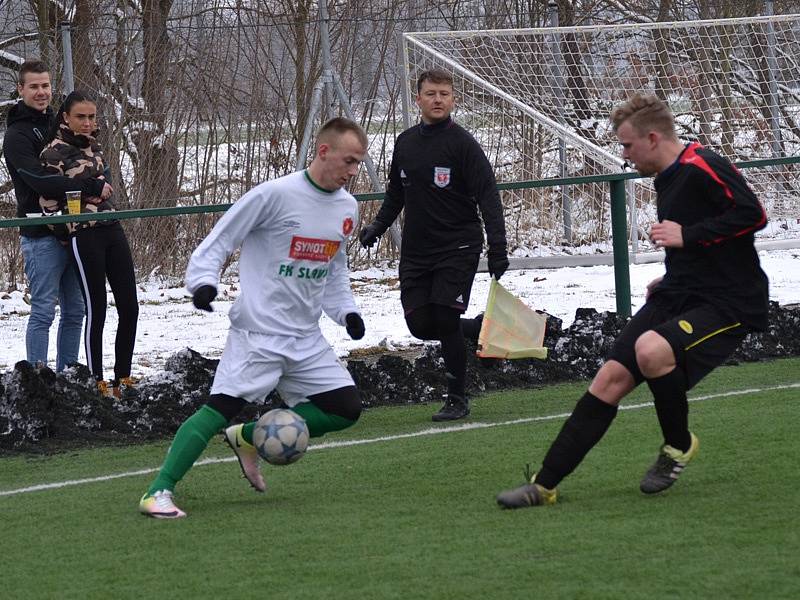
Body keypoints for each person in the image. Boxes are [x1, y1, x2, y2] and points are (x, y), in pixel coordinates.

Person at [496, 93, 769, 509]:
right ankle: (543, 485)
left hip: (730, 300)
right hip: (682, 292)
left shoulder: (703, 166)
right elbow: (703, 238)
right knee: (608, 380)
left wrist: (686, 237)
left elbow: (754, 215)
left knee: (651, 350)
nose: (624, 155)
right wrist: (674, 273)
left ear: (653, 138)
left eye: (627, 145)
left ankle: (678, 446)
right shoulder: (667, 175)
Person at [139, 117, 368, 519]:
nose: (353, 171)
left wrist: (346, 311)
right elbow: (221, 238)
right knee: (217, 410)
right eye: (348, 161)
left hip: (306, 338)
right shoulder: (274, 195)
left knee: (345, 408)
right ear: (323, 151)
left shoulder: (348, 208)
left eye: (358, 164)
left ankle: (247, 436)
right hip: (258, 334)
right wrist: (204, 281)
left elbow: (334, 268)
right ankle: (158, 491)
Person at [359, 69, 508, 422]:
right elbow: (397, 193)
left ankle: (457, 397)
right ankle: (482, 328)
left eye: (444, 93)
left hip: (458, 246)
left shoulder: (463, 144)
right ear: (419, 99)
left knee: (444, 316)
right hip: (417, 252)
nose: (438, 99)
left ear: (453, 99)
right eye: (431, 93)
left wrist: (497, 245)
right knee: (422, 326)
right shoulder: (406, 142)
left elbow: (488, 194)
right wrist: (378, 226)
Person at [3, 59, 111, 372]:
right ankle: (36, 381)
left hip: (75, 231)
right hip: (41, 235)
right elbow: (39, 180)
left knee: (75, 310)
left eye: (46, 85)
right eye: (34, 86)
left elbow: (91, 158)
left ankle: (68, 378)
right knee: (42, 313)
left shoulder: (60, 123)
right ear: (21, 89)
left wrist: (101, 181)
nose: (41, 92)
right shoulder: (16, 136)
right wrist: (90, 185)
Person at [39, 90, 139, 398]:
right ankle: (98, 380)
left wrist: (96, 193)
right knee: (96, 309)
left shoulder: (96, 147)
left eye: (92, 117)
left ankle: (123, 378)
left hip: (112, 226)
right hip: (84, 235)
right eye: (80, 117)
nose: (87, 123)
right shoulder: (53, 152)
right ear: (66, 117)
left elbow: (107, 189)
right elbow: (49, 200)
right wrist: (80, 202)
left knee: (130, 307)